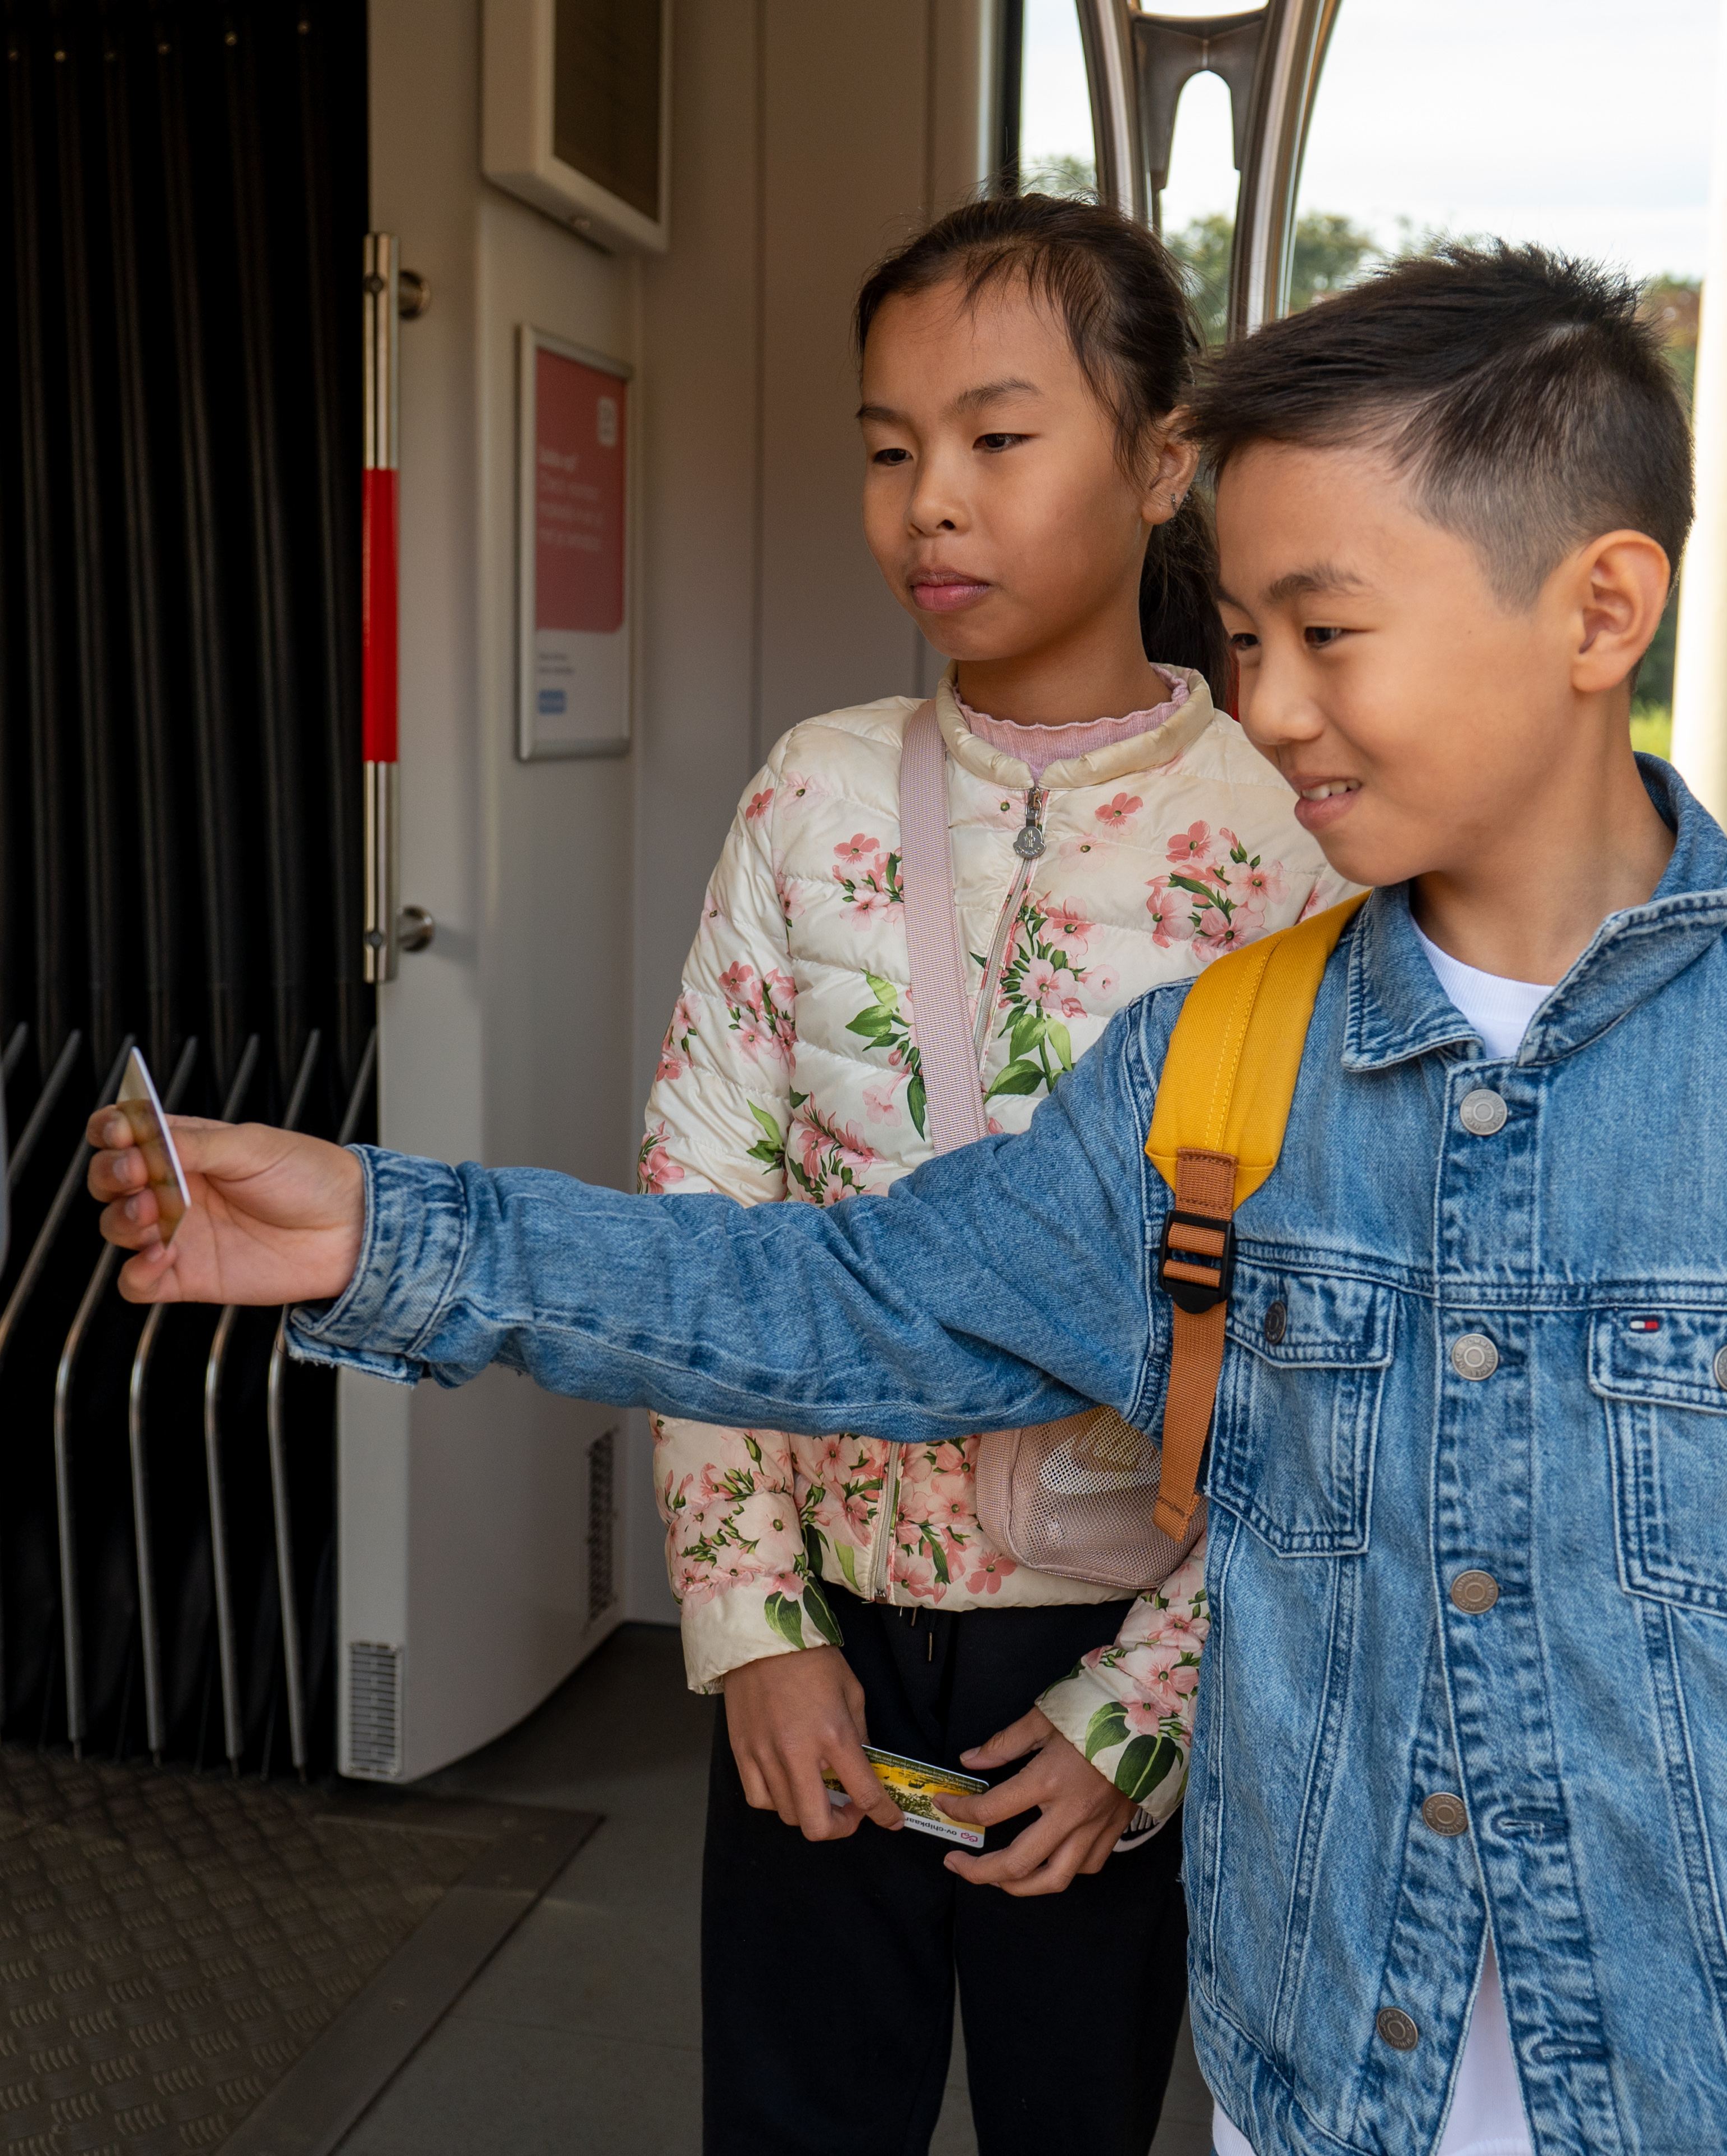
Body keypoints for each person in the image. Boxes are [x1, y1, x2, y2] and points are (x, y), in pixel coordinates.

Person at [91, 248, 1727, 2155]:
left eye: (1326, 632)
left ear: (1600, 606)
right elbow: (840, 1300)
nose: (1270, 706)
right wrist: (394, 1233)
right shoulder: (1215, 1072)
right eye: (1243, 633)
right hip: (1320, 2094)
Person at [639, 188, 1348, 2154]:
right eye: (887, 448)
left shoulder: (1289, 839)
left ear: (1159, 459)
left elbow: (1330, 1335)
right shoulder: (812, 790)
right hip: (824, 1627)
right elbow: (700, 1212)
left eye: (995, 436)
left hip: (1113, 1649)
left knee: (1077, 2124)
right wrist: (753, 1628)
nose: (927, 499)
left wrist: (1150, 1709)